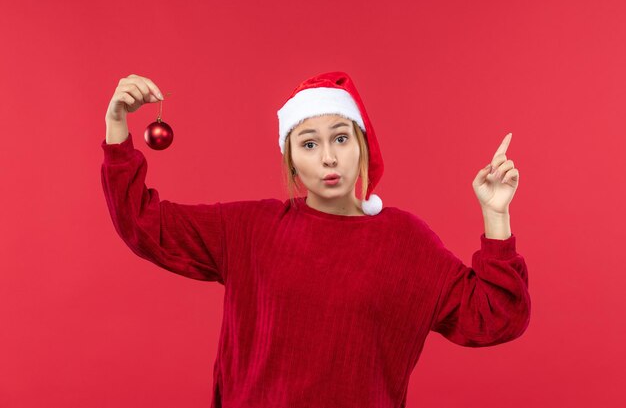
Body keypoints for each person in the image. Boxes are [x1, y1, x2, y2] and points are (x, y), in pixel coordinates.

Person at [101, 71, 530, 408]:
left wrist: (496, 214)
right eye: (309, 144)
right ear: (291, 163)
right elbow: (143, 224)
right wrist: (117, 124)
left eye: (341, 138)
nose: (328, 157)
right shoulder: (250, 228)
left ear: (361, 146)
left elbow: (496, 316)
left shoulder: (405, 242)